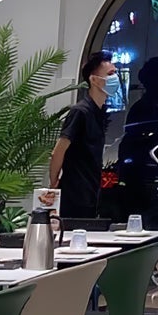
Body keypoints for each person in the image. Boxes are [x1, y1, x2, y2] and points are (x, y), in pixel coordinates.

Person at [50, 50, 115, 220]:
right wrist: (54, 183)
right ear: (94, 79)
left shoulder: (99, 113)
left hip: (91, 193)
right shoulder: (80, 112)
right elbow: (58, 150)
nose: (114, 78)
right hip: (75, 195)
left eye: (115, 73)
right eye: (110, 74)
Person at [116, 54, 158, 212]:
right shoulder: (142, 110)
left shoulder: (152, 108)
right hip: (139, 180)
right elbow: (132, 145)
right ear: (155, 81)